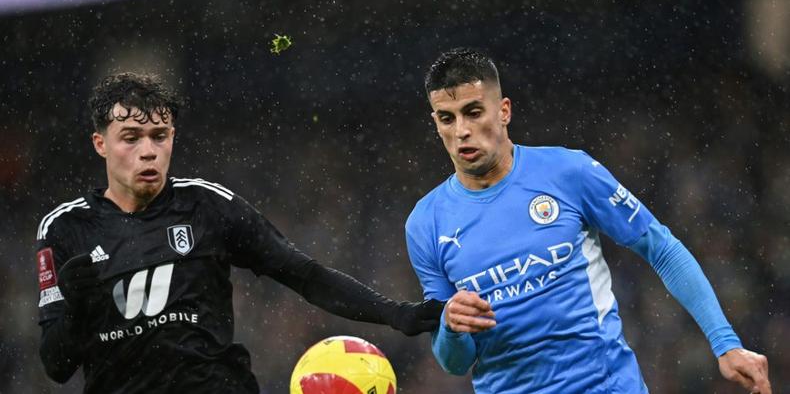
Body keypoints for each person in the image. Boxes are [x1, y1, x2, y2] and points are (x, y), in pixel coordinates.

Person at [36, 73, 442, 393]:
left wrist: (395, 313)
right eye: (131, 137)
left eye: (159, 136)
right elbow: (57, 366)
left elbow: (304, 275)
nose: (148, 150)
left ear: (172, 138)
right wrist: (74, 306)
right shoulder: (64, 229)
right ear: (100, 143)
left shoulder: (208, 206)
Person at [405, 48, 772, 393]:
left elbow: (661, 248)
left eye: (473, 112)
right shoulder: (425, 224)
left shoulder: (568, 172)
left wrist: (725, 342)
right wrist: (451, 328)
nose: (461, 131)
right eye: (446, 118)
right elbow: (455, 362)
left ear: (503, 111)